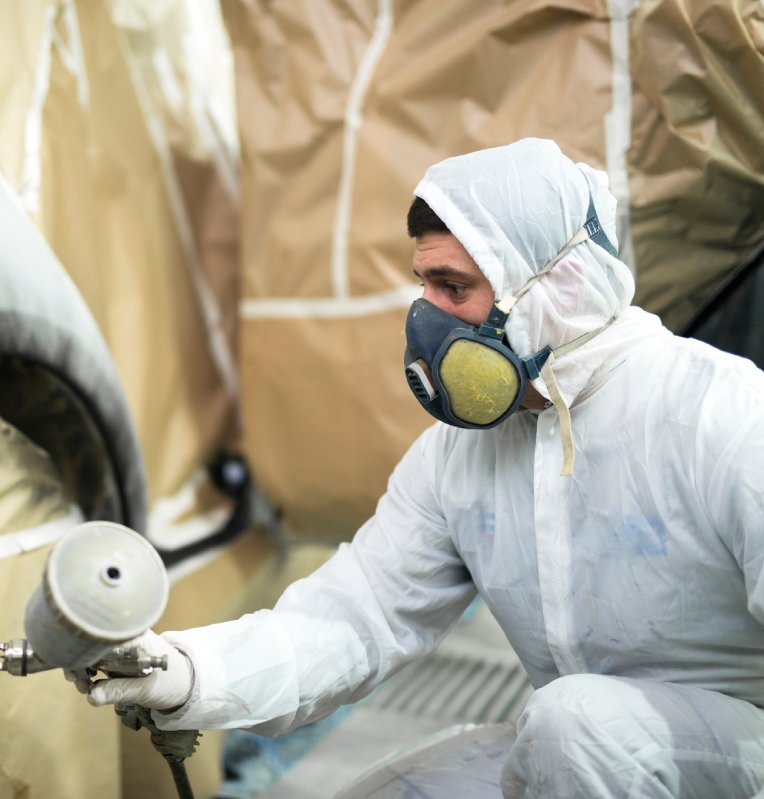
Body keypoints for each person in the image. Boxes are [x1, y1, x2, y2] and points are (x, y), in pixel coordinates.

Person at [82, 138, 764, 798]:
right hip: (572, 747)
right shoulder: (458, 456)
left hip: (735, 754)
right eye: (425, 286)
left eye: (454, 287)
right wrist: (190, 672)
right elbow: (356, 617)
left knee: (577, 724)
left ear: (558, 285)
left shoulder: (722, 416)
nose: (427, 320)